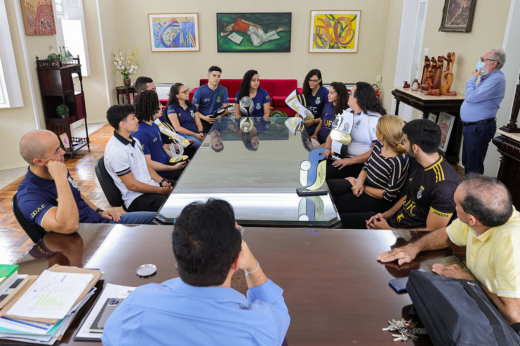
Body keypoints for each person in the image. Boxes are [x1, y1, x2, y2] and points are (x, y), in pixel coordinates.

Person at [102, 199, 290, 346]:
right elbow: (280, 316)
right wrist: (253, 266)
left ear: (178, 254)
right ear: (236, 261)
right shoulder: (260, 327)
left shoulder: (136, 305)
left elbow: (110, 337)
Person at [377, 175, 520, 330]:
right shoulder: (485, 218)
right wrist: (414, 247)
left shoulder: (510, 241)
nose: (452, 206)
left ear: (472, 219)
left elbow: (513, 316)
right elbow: (447, 234)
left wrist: (469, 281)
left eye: (455, 204)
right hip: (477, 301)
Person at [16, 130, 156, 238]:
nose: (63, 152)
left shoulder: (57, 168)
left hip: (100, 223)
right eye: (57, 151)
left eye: (60, 147)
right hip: (86, 238)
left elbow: (77, 194)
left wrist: (98, 211)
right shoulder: (28, 197)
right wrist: (60, 179)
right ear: (39, 162)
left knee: (161, 220)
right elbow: (69, 226)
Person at [342, 119, 460, 230]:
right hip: (393, 224)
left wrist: (388, 230)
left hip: (405, 240)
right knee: (340, 221)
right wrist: (384, 216)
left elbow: (432, 232)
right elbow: (407, 197)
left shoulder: (444, 185)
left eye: (405, 141)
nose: (403, 143)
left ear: (415, 148)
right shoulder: (419, 162)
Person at [328, 115, 409, 222]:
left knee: (338, 203)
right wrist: (359, 182)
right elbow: (366, 167)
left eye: (377, 129)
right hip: (363, 184)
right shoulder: (379, 146)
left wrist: (362, 186)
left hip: (377, 199)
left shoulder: (400, 160)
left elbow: (389, 195)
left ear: (382, 136)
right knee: (329, 186)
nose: (375, 131)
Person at [104, 105, 174, 212]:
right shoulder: (115, 151)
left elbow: (145, 165)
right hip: (136, 198)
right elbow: (132, 185)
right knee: (170, 206)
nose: (137, 120)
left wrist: (162, 181)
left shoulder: (134, 140)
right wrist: (160, 190)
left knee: (180, 188)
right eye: (133, 118)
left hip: (150, 186)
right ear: (122, 124)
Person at [322, 82, 386, 181]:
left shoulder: (373, 118)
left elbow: (378, 150)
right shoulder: (347, 112)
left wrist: (351, 160)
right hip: (338, 155)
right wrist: (327, 148)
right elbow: (333, 133)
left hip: (359, 163)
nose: (349, 96)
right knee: (314, 167)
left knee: (324, 175)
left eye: (351, 94)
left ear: (358, 99)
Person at [460, 48, 506, 175]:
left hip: (479, 127)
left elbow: (470, 97)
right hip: (473, 126)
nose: (479, 62)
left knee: (473, 167)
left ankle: (473, 194)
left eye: (483, 59)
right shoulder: (487, 78)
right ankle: (467, 192)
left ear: (493, 63)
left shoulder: (496, 79)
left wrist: (473, 78)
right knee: (467, 163)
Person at [133, 90, 187, 182]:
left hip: (168, 166)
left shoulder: (154, 125)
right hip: (161, 175)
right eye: (158, 104)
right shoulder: (140, 133)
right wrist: (173, 168)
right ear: (149, 108)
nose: (162, 106)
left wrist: (178, 160)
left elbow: (162, 148)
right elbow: (148, 164)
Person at [164, 83, 205, 148]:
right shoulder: (172, 108)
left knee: (212, 140)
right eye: (184, 92)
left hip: (196, 133)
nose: (188, 93)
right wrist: (196, 135)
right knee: (202, 145)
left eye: (187, 90)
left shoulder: (192, 106)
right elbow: (177, 128)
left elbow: (199, 123)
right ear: (177, 95)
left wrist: (201, 132)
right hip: (183, 135)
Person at [192, 66, 230, 133]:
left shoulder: (223, 90)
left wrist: (220, 116)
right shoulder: (200, 91)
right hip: (204, 118)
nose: (216, 78)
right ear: (208, 76)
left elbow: (225, 109)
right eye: (214, 75)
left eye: (218, 76)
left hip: (218, 118)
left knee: (226, 135)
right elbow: (194, 110)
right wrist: (205, 118)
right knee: (205, 138)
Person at [310, 82, 348, 147]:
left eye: (331, 93)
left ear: (339, 94)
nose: (328, 95)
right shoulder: (327, 106)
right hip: (319, 140)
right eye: (329, 92)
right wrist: (315, 134)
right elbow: (321, 123)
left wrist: (320, 147)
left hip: (332, 144)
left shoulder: (346, 111)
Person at [220, 18, 289, 47]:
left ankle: (278, 30)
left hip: (254, 28)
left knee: (264, 39)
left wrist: (257, 25)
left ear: (228, 24)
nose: (228, 30)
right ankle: (268, 33)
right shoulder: (232, 29)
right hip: (251, 33)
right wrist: (224, 32)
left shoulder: (238, 20)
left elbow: (249, 22)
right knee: (256, 44)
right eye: (227, 30)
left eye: (227, 28)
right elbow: (224, 33)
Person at [302, 69, 330, 136]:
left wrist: (313, 121)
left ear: (320, 80)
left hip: (319, 122)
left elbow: (328, 115)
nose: (312, 82)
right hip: (307, 121)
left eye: (315, 80)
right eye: (310, 80)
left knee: (305, 133)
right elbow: (302, 108)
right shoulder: (306, 91)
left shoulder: (325, 93)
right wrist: (299, 115)